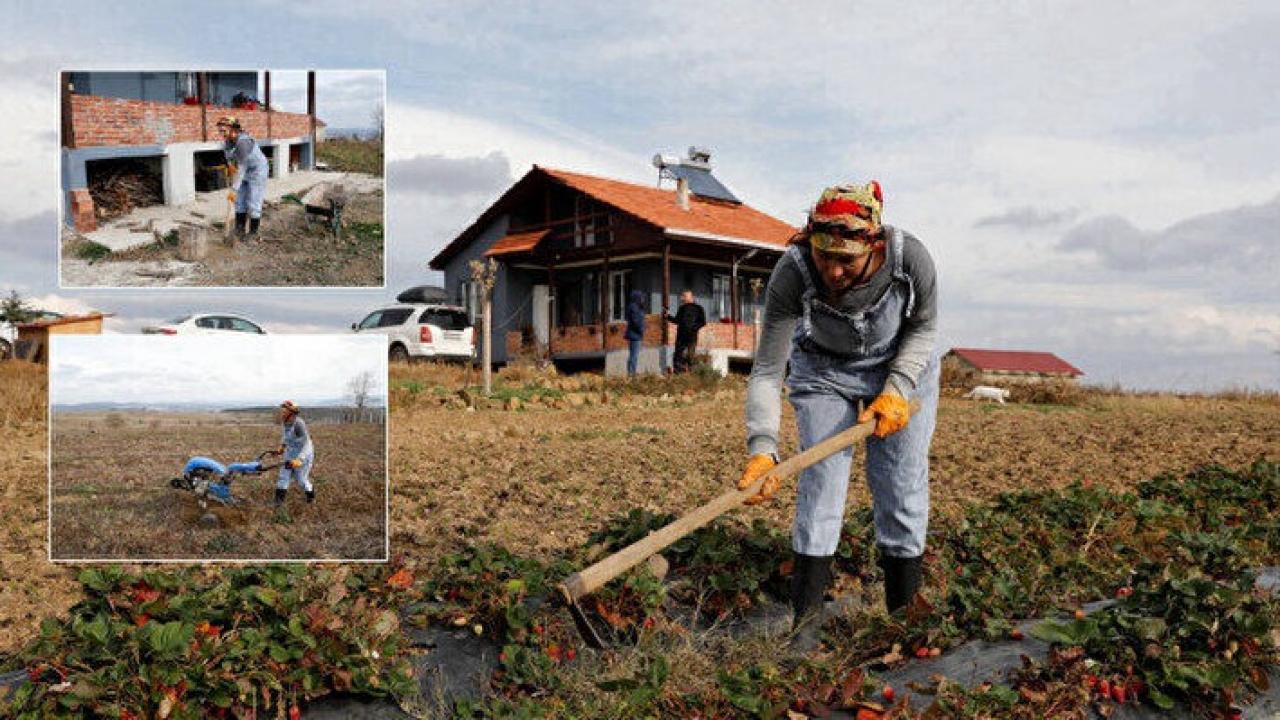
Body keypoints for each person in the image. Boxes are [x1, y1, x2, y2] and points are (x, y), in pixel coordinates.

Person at [738, 181, 940, 644]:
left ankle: (903, 622)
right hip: (824, 372)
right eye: (822, 255)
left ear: (874, 245)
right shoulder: (792, 271)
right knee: (822, 481)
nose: (832, 270)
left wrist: (897, 388)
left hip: (899, 365)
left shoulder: (911, 260)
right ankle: (805, 630)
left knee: (901, 484)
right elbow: (768, 369)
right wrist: (763, 449)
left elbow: (924, 329)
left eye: (846, 260)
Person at [216, 115, 270, 240]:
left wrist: (233, 189)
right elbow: (230, 160)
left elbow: (241, 168)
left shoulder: (243, 142)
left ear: (233, 129)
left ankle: (253, 233)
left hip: (257, 171)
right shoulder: (228, 142)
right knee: (239, 201)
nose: (221, 133)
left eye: (223, 130)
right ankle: (239, 229)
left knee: (254, 201)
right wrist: (230, 167)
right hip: (243, 170)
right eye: (220, 131)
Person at [269, 400, 315, 506]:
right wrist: (281, 448)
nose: (282, 412)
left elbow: (306, 445)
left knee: (301, 480)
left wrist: (300, 459)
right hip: (290, 453)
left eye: (284, 410)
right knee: (283, 476)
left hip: (303, 453)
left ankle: (310, 496)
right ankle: (278, 503)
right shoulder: (285, 422)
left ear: (291, 412)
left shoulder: (299, 424)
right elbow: (286, 437)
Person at [667, 290, 706, 373]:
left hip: (691, 336)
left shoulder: (699, 308)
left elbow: (702, 322)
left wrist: (694, 328)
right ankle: (678, 372)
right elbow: (677, 320)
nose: (682, 298)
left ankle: (691, 372)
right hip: (681, 335)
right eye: (682, 296)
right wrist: (668, 317)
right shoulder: (682, 308)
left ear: (691, 297)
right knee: (678, 354)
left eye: (684, 296)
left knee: (690, 355)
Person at [624, 289, 646, 376]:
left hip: (636, 334)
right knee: (634, 355)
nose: (643, 299)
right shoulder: (634, 307)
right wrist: (641, 330)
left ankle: (632, 372)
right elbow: (636, 321)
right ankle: (631, 373)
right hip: (635, 334)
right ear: (637, 298)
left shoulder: (637, 307)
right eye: (642, 297)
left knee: (634, 354)